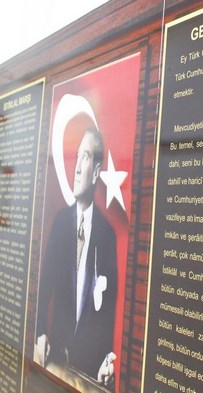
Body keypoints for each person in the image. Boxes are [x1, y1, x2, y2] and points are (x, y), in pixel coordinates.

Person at [35, 128, 117, 388]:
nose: (77, 168)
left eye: (85, 157)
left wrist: (106, 361)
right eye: (77, 156)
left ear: (96, 172)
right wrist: (40, 332)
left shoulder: (107, 235)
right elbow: (44, 287)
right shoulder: (61, 223)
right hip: (55, 364)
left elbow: (108, 312)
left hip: (86, 374)